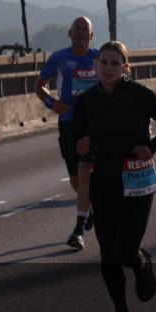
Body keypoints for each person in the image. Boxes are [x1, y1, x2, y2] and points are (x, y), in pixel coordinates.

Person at [74, 41, 156, 312]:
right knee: (108, 253)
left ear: (125, 68)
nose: (108, 68)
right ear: (96, 66)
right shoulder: (87, 100)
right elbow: (77, 140)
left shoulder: (141, 95)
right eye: (103, 62)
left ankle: (141, 263)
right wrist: (81, 146)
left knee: (127, 249)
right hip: (105, 179)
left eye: (114, 63)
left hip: (137, 177)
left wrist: (150, 147)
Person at [35, 17, 100, 250]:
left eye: (85, 29)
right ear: (70, 33)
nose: (81, 33)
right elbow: (39, 85)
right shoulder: (59, 58)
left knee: (85, 170)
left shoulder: (99, 57)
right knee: (75, 177)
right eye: (77, 29)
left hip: (93, 123)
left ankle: (78, 229)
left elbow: (118, 77)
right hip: (69, 122)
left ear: (91, 35)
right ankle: (88, 207)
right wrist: (52, 103)